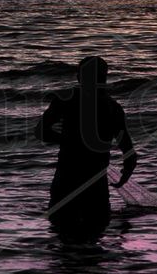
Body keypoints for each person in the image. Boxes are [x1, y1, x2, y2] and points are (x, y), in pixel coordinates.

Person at [35, 56, 137, 230]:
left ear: (79, 77)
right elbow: (129, 153)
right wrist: (125, 176)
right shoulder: (113, 107)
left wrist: (67, 141)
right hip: (95, 183)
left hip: (66, 178)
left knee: (62, 235)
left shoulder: (65, 100)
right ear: (103, 78)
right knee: (95, 235)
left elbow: (41, 132)